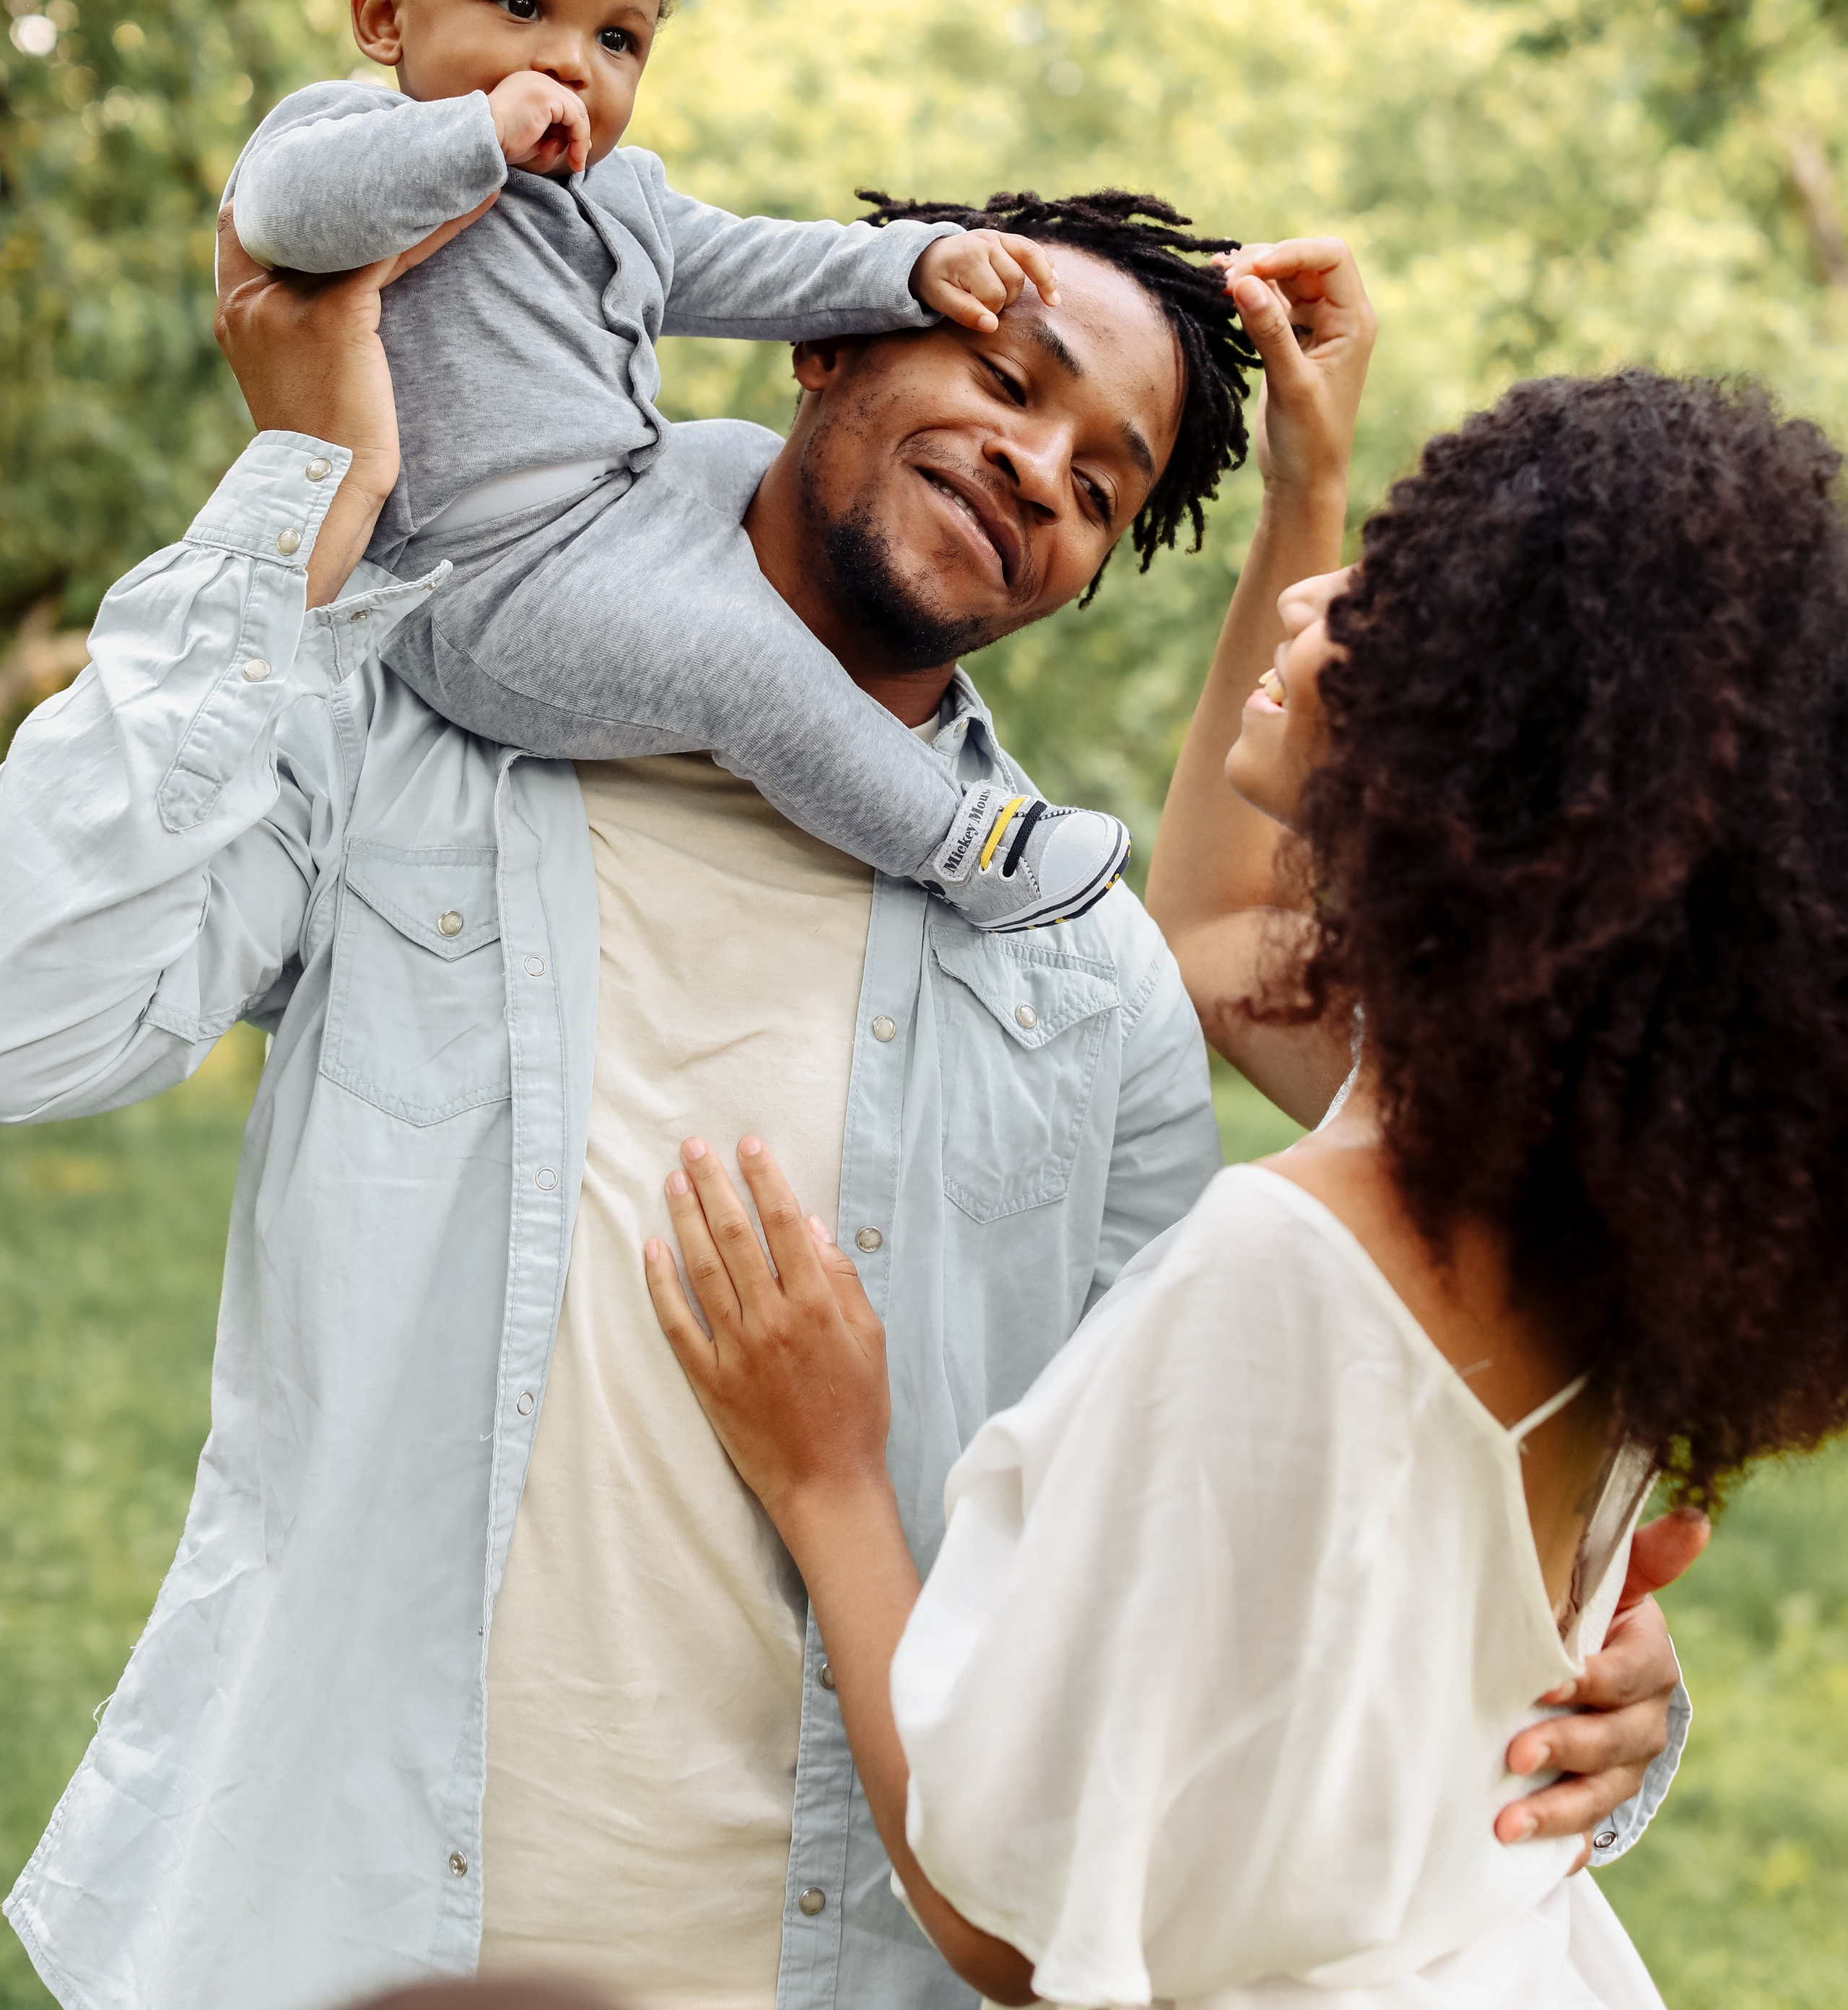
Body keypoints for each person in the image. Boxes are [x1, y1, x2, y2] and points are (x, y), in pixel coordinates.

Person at [0, 213, 1682, 2010]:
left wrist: (1575, 1673)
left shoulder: (1080, 977)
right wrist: (308, 484)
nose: (1036, 466)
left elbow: (1191, 1557)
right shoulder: (405, 742)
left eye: (1101, 487)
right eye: (1003, 375)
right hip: (317, 1934)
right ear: (824, 341)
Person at [637, 360, 1848, 2009]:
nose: (1321, 591)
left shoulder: (1283, 1273)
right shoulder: (1573, 1183)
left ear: (1494, 731)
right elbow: (1209, 937)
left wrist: (829, 1469)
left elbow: (1010, 1919)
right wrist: (1301, 480)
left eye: (1394, 599)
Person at [224, 0, 1136, 932]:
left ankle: (864, 730)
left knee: (756, 462)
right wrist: (470, 139)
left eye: (616, 38)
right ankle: (964, 847)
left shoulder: (615, 190)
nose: (568, 64)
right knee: (742, 663)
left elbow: (750, 264)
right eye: (518, 6)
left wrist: (907, 267)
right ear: (384, 18)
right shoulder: (347, 135)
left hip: (621, 502)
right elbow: (286, 215)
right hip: (485, 582)